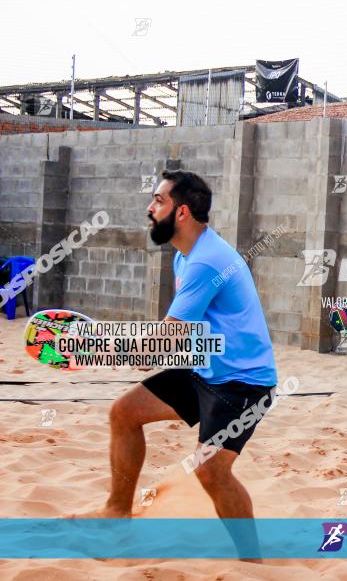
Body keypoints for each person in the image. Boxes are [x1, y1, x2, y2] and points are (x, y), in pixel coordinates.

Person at [70, 170, 277, 561]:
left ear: (181, 212)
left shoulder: (205, 262)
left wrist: (95, 347)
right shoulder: (186, 256)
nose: (150, 208)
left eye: (158, 201)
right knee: (125, 413)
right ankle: (117, 514)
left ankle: (252, 562)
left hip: (243, 384)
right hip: (205, 367)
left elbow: (166, 337)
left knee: (210, 471)